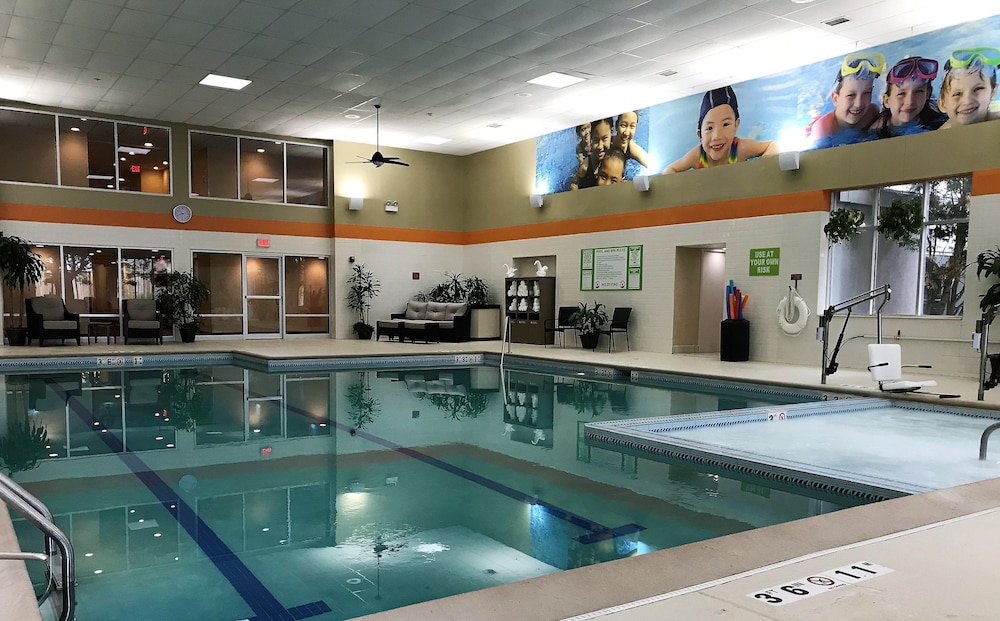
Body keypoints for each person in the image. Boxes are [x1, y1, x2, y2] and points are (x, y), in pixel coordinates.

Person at [662, 85, 778, 173]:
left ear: (736, 125)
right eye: (709, 128)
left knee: (754, 134)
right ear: (700, 135)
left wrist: (765, 165)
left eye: (726, 124)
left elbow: (771, 145)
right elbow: (669, 170)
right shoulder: (697, 156)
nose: (717, 136)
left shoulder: (740, 149)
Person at [809, 52, 885, 146]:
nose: (858, 104)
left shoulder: (872, 113)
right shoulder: (823, 130)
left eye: (866, 93)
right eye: (850, 95)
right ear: (836, 99)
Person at [869, 56, 947, 138]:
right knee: (884, 92)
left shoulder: (937, 118)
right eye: (901, 93)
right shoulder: (877, 129)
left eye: (918, 91)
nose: (910, 102)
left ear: (927, 95)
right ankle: (884, 75)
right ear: (887, 101)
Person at [937, 47, 1000, 129]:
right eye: (957, 94)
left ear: (993, 92)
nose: (967, 101)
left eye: (978, 89)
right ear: (943, 104)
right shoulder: (938, 135)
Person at [571, 117, 613, 189]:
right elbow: (574, 183)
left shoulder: (615, 154)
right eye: (596, 140)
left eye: (604, 138)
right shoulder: (585, 167)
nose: (600, 146)